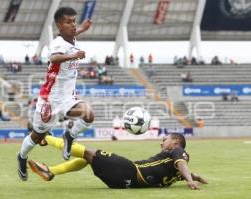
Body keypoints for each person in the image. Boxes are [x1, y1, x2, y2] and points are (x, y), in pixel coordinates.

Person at [17, 7, 93, 181]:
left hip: (68, 97)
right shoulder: (57, 43)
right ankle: (21, 156)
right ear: (59, 26)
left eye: (74, 21)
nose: (73, 25)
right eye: (69, 22)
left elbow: (74, 32)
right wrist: (74, 56)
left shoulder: (71, 37)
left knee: (88, 115)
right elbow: (54, 58)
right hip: (50, 100)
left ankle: (69, 136)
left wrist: (83, 27)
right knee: (38, 136)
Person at [28, 133, 207, 189]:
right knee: (88, 159)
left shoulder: (178, 151)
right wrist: (194, 176)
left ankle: (44, 137)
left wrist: (190, 179)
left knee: (89, 152)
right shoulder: (175, 169)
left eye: (166, 139)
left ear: (176, 142)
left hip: (130, 170)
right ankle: (50, 170)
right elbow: (179, 169)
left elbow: (182, 164)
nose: (162, 142)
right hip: (124, 184)